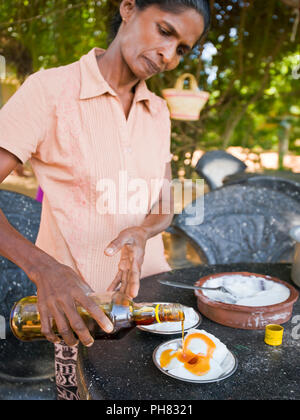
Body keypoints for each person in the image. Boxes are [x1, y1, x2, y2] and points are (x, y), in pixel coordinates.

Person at [0, 0, 210, 400]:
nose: (169, 56)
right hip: (81, 313)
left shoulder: (159, 110)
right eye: (165, 31)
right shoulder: (50, 90)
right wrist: (45, 269)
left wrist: (143, 231)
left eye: (182, 49)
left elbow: (164, 200)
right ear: (129, 8)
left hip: (153, 304)